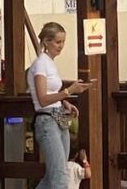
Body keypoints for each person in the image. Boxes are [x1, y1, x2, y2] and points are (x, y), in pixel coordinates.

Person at [27, 22, 92, 189]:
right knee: (60, 176)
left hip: (58, 115)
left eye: (63, 42)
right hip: (47, 119)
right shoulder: (41, 64)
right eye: (57, 42)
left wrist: (64, 102)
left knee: (55, 174)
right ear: (46, 41)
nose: (61, 46)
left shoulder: (49, 63)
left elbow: (51, 92)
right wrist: (69, 91)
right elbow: (42, 98)